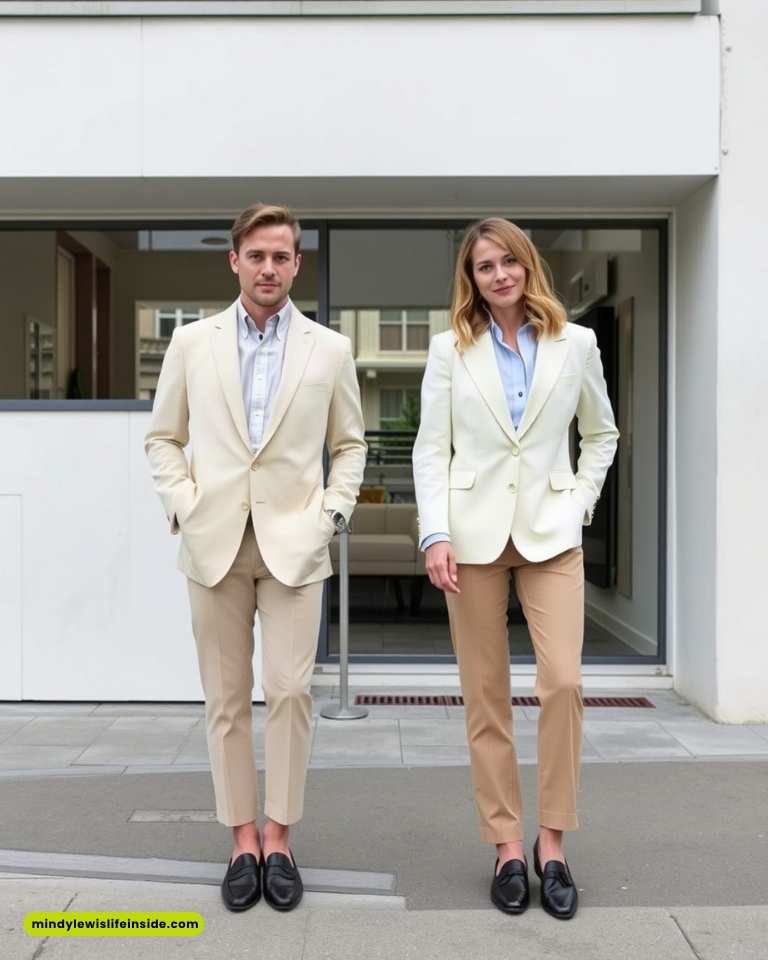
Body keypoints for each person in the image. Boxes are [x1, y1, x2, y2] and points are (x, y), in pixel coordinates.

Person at [145, 202, 366, 913]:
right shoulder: (191, 343)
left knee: (293, 693)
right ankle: (242, 840)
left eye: (282, 256)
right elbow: (163, 438)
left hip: (295, 547)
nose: (269, 268)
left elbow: (351, 445)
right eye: (257, 255)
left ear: (298, 264)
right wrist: (184, 503)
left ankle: (280, 836)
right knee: (226, 700)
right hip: (214, 543)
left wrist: (329, 516)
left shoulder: (328, 349)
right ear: (234, 260)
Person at [412, 218, 618, 920]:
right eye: (483, 267)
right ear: (469, 280)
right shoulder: (449, 350)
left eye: (508, 262)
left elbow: (602, 432)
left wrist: (579, 501)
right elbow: (429, 448)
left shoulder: (578, 343)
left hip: (552, 534)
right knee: (485, 695)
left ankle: (551, 844)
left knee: (562, 682)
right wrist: (434, 531)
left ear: (528, 266)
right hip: (469, 538)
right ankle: (505, 844)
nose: (498, 275)